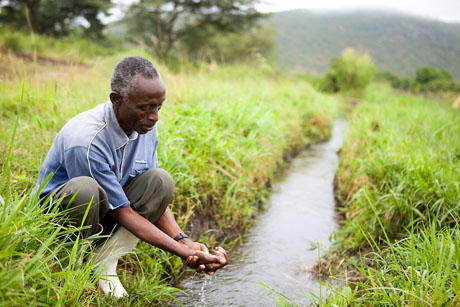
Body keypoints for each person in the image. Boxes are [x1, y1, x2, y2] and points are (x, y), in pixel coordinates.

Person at [33, 56, 228, 298]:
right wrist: (180, 251)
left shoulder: (145, 126)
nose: (155, 116)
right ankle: (70, 263)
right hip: (61, 216)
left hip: (109, 207)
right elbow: (121, 211)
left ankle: (104, 261)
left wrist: (184, 240)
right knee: (86, 190)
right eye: (145, 107)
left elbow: (151, 198)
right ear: (116, 99)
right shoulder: (86, 140)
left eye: (159, 106)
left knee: (160, 181)